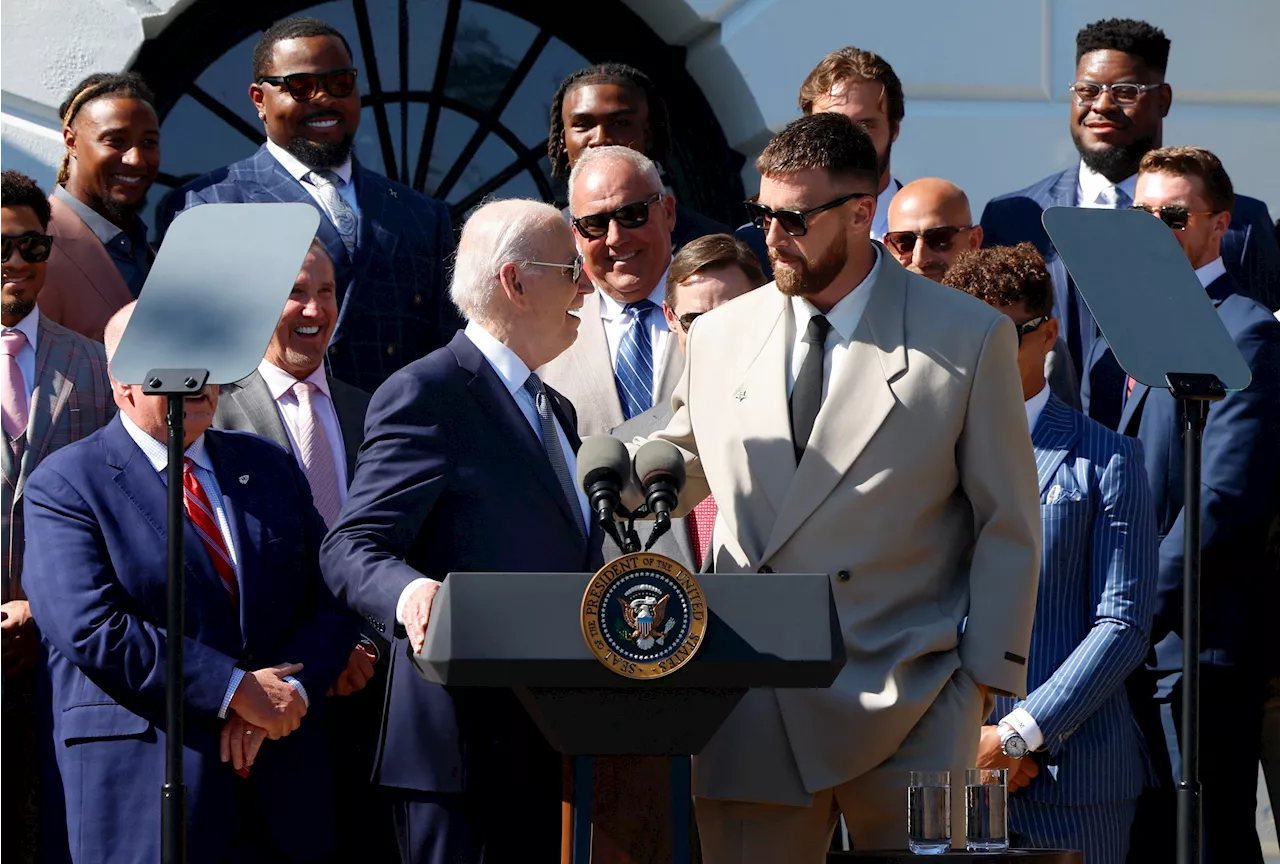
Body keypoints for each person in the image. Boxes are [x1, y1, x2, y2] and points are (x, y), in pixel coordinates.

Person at [637, 112, 1040, 862]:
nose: (772, 236)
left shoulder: (966, 335)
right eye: (762, 214)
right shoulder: (722, 334)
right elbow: (682, 458)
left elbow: (1008, 521)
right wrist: (589, 463)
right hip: (750, 702)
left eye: (793, 218)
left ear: (862, 212)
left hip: (913, 705)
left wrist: (981, 685)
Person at [22, 301, 357, 862]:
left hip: (277, 779)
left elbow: (332, 598)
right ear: (123, 383)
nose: (195, 376)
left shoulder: (266, 465)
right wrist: (233, 690)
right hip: (141, 785)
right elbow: (91, 628)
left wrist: (282, 697)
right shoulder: (67, 484)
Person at [321, 198, 597, 864]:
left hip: (549, 740)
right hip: (460, 754)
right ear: (517, 281)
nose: (584, 287)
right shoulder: (430, 392)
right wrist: (410, 593)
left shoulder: (549, 404)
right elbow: (352, 546)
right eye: (571, 270)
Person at [1083, 146, 1280, 864]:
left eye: (1172, 215)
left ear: (1219, 225)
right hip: (1128, 646)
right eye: (1140, 215)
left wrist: (1128, 607)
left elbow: (1221, 505)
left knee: (1205, 843)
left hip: (1191, 649)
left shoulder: (1245, 328)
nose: (1152, 230)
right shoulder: (1125, 331)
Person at [943, 243, 1157, 864]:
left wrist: (1014, 736)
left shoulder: (1108, 457)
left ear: (1049, 335)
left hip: (1073, 773)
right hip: (941, 761)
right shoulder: (916, 456)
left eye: (1003, 334)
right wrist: (958, 739)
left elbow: (1122, 623)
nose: (983, 353)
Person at [158, 16, 458, 393]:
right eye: (300, 86)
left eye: (339, 83)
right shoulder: (209, 204)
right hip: (269, 439)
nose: (323, 98)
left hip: (399, 439)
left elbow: (446, 353)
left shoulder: (420, 214)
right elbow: (196, 353)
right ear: (259, 100)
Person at [211, 240, 392, 862]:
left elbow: (389, 544)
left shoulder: (372, 411)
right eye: (294, 292)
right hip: (267, 703)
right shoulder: (214, 413)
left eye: (326, 292)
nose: (313, 308)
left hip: (369, 689)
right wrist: (304, 670)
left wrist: (362, 643)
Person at [981, 18, 1280, 382]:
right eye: (1087, 90)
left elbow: (1262, 364)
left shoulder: (1239, 223)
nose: (1102, 105)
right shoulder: (1012, 217)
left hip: (1180, 433)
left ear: (1163, 99)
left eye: (1125, 91)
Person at [0, 170, 113, 864]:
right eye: (0, 246)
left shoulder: (100, 369)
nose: (15, 261)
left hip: (64, 651)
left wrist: (41, 605)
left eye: (32, 247)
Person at [607, 232, 764, 569]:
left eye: (731, 315)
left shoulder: (806, 412)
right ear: (669, 317)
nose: (713, 336)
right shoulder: (624, 449)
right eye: (695, 321)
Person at [886, 177, 1081, 408]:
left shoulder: (1026, 339)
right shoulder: (867, 337)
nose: (920, 257)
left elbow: (1060, 438)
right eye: (904, 242)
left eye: (939, 239)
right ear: (888, 246)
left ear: (974, 240)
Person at [540, 146, 681, 437]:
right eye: (595, 224)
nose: (616, 237)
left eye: (632, 214)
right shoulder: (545, 340)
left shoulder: (727, 304)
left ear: (668, 212)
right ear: (576, 234)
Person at [737, 46, 906, 277]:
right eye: (831, 127)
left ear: (894, 129)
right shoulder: (754, 244)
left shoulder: (938, 237)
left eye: (865, 127)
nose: (847, 142)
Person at [549, 62, 729, 251]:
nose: (600, 139)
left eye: (620, 123)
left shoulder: (714, 245)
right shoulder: (541, 246)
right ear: (562, 140)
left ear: (649, 134)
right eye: (583, 125)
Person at [39, 72, 160, 342]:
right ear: (71, 142)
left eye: (148, 143)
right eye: (115, 141)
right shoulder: (36, 243)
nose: (135, 159)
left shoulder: (145, 248)